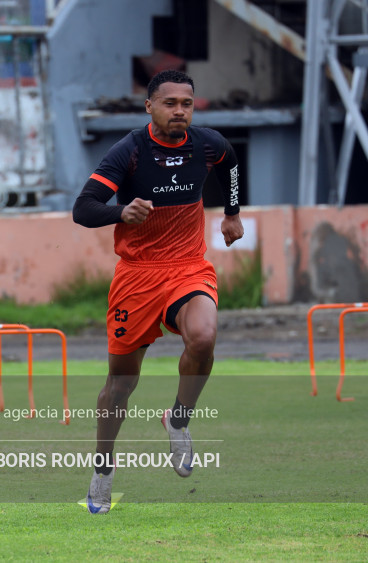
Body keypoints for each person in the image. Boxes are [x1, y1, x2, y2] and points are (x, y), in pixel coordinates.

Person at [73, 70, 244, 514]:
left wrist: (231, 212)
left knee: (204, 336)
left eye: (186, 103)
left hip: (189, 266)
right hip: (138, 276)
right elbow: (83, 208)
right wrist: (121, 211)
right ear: (149, 107)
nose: (179, 111)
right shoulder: (128, 151)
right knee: (120, 386)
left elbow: (231, 163)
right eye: (170, 103)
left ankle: (179, 419)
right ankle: (103, 470)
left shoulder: (206, 143)